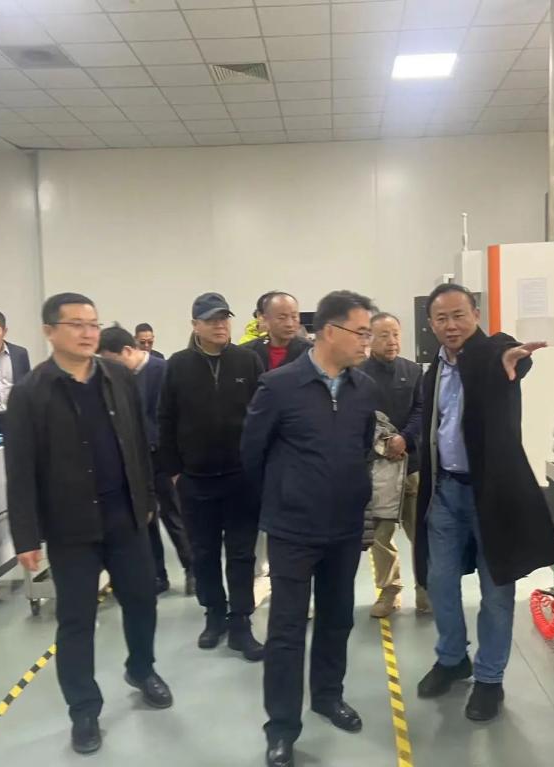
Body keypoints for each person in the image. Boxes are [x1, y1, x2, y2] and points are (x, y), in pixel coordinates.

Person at [5, 293, 172, 756]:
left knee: (142, 600)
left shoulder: (118, 377)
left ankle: (141, 668)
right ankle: (83, 709)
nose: (87, 333)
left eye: (93, 324)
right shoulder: (31, 392)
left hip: (126, 518)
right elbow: (20, 469)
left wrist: (148, 499)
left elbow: (138, 442)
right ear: (49, 331)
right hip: (71, 527)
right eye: (76, 324)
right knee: (76, 620)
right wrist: (26, 535)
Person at [241, 290, 378, 767]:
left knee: (338, 619)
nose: (367, 342)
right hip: (293, 530)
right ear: (329, 331)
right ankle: (281, 727)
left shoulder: (363, 389)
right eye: (361, 333)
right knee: (286, 630)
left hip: (344, 528)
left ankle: (327, 696)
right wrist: (285, 498)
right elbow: (252, 454)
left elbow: (362, 446)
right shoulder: (278, 386)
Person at [414, 283, 554, 722]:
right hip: (445, 492)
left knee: (496, 590)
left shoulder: (492, 355)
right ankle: (451, 658)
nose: (451, 325)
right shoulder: (434, 370)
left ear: (476, 315)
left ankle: (490, 679)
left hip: (490, 496)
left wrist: (512, 356)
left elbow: (504, 353)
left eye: (459, 315)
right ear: (431, 324)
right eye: (441, 318)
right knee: (439, 581)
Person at [158, 292, 266, 662]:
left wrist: (258, 466)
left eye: (224, 318)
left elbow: (262, 415)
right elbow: (165, 419)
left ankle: (241, 622)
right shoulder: (178, 365)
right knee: (203, 553)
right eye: (211, 320)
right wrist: (175, 472)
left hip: (241, 480)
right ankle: (214, 614)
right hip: (196, 480)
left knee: (241, 554)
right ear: (195, 326)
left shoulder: (248, 361)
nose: (220, 325)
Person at [98, 323, 194, 597]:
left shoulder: (162, 371)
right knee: (145, 518)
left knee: (174, 517)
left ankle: (192, 569)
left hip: (163, 458)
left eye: (111, 361)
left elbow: (167, 419)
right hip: (136, 462)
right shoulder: (117, 379)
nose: (108, 368)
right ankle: (157, 575)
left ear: (128, 351)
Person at [359, 312, 427, 618]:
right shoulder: (357, 374)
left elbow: (421, 410)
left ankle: (425, 590)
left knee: (420, 531)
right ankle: (389, 591)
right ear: (369, 338)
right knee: (381, 534)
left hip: (411, 464)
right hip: (377, 468)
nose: (392, 341)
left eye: (396, 334)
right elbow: (357, 416)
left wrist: (404, 439)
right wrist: (382, 444)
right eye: (384, 335)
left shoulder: (412, 371)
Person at [244, 292, 311, 372]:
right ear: (264, 319)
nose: (289, 324)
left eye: (294, 317)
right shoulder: (247, 353)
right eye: (281, 318)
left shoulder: (310, 352)